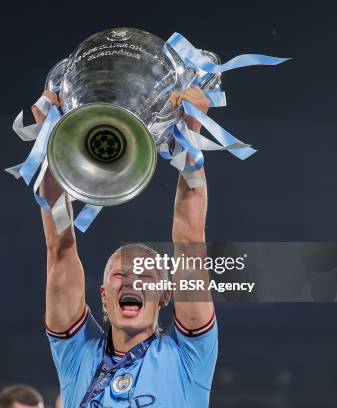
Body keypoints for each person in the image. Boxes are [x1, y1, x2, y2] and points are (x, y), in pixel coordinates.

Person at [36, 87, 218, 407]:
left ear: (165, 295)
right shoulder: (77, 354)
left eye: (146, 277)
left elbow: (190, 242)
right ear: (104, 293)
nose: (132, 280)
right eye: (120, 275)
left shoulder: (189, 357)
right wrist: (52, 144)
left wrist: (192, 131)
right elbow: (60, 250)